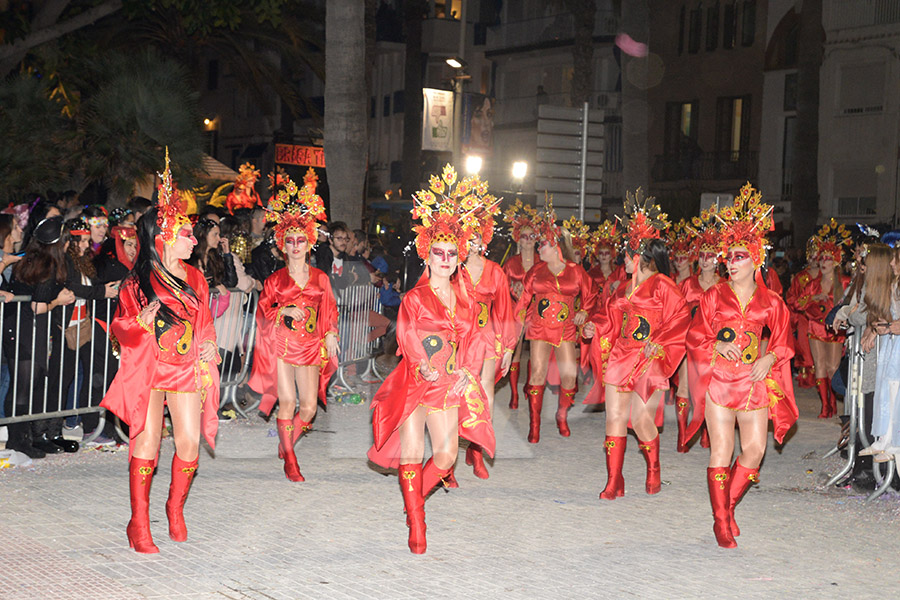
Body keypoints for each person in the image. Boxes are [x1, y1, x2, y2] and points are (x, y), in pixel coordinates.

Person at [368, 165, 495, 554]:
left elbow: (477, 339)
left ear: (459, 257)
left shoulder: (468, 299)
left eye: (451, 253)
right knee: (412, 451)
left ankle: (415, 502)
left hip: (448, 383)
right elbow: (406, 334)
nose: (444, 259)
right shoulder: (415, 298)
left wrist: (468, 375)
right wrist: (422, 363)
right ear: (428, 253)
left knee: (446, 455)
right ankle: (418, 525)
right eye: (437, 252)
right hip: (415, 379)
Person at [100, 152, 221, 554]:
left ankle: (174, 507)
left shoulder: (197, 278)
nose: (193, 238)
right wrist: (142, 323)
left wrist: (209, 344)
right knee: (147, 443)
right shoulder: (137, 284)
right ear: (164, 238)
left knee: (188, 444)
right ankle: (138, 522)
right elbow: (121, 331)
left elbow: (204, 322)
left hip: (185, 368)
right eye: (186, 232)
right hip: (151, 371)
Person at [685, 183, 797, 548]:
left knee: (755, 451)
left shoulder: (773, 301)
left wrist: (769, 357)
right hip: (720, 380)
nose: (730, 263)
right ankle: (720, 522)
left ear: (756, 260)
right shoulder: (713, 295)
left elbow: (784, 342)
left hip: (754, 382)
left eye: (739, 257)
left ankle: (726, 507)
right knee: (722, 451)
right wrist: (717, 343)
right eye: (728, 257)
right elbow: (695, 334)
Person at [583, 189, 689, 500]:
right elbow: (610, 319)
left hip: (650, 358)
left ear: (639, 257)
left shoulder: (664, 286)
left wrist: (658, 344)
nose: (622, 260)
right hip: (621, 355)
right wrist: (595, 326)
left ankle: (653, 465)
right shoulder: (623, 289)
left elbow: (681, 320)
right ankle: (614, 480)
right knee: (614, 417)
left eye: (626, 256)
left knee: (641, 419)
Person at [247, 175, 339, 481]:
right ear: (282, 244)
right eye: (290, 241)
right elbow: (262, 311)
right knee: (287, 402)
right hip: (283, 344)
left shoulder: (320, 278)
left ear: (309, 242)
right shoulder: (275, 281)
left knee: (309, 408)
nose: (296, 246)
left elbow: (329, 309)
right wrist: (281, 309)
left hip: (311, 345)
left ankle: (287, 443)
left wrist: (331, 334)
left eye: (301, 240)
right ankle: (290, 460)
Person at [514, 201, 596, 442]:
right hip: (539, 327)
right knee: (537, 373)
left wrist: (585, 312)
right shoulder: (535, 272)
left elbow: (590, 297)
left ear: (556, 246)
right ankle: (534, 425)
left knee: (569, 377)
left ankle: (562, 415)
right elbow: (524, 302)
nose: (540, 248)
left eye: (543, 244)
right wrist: (517, 325)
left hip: (566, 328)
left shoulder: (576, 271)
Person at [2, 217, 76, 458]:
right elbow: (38, 306)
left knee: (27, 384)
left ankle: (25, 436)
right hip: (26, 327)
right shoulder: (48, 265)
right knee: (23, 385)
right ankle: (17, 439)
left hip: (22, 326)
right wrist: (59, 301)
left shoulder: (32, 258)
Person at [461, 194, 515, 478]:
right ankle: (451, 455)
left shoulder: (495, 271)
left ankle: (478, 450)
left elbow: (506, 311)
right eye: (468, 238)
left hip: (486, 338)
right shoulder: (451, 268)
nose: (473, 244)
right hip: (457, 341)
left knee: (486, 396)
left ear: (485, 239)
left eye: (477, 238)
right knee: (453, 395)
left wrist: (508, 347)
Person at [674, 209, 722, 452]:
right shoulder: (686, 284)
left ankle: (706, 432)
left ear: (718, 259)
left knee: (711, 389)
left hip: (714, 343)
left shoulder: (725, 286)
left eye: (711, 255)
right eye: (702, 255)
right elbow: (675, 313)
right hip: (688, 342)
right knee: (684, 386)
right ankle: (683, 436)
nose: (705, 260)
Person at [798, 220, 852, 418]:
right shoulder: (812, 284)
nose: (823, 261)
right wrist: (814, 298)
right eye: (821, 258)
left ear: (836, 261)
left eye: (828, 258)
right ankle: (825, 405)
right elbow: (798, 302)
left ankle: (833, 401)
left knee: (832, 367)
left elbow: (852, 302)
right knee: (819, 365)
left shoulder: (845, 282)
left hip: (835, 329)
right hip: (815, 327)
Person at [858, 244, 900, 460]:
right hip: (893, 346)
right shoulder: (894, 286)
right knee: (888, 391)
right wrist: (878, 327)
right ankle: (886, 437)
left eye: (896, 259)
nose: (892, 263)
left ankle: (894, 440)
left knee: (895, 393)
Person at [501, 199, 539, 409]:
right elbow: (502, 287)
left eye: (532, 236)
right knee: (514, 350)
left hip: (535, 312)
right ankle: (514, 393)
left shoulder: (541, 262)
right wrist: (511, 291)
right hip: (516, 310)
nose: (528, 240)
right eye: (524, 237)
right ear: (519, 240)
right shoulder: (511, 262)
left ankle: (530, 386)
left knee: (536, 351)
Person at [785, 241, 819, 388]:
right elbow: (791, 297)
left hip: (822, 320)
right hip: (804, 318)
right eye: (810, 255)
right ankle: (807, 378)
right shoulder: (800, 277)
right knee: (805, 349)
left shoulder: (828, 276)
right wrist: (803, 305)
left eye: (816, 255)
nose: (813, 259)